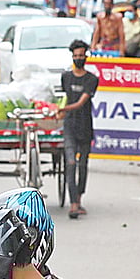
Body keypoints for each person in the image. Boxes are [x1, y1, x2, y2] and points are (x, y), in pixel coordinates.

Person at [56, 40, 97, 220]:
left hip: (85, 126)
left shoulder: (92, 79)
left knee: (82, 164)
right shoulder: (66, 77)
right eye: (76, 56)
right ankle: (73, 203)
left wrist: (62, 110)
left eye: (81, 55)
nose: (79, 58)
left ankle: (79, 197)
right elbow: (65, 97)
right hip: (70, 126)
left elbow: (81, 102)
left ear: (86, 56)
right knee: (71, 162)